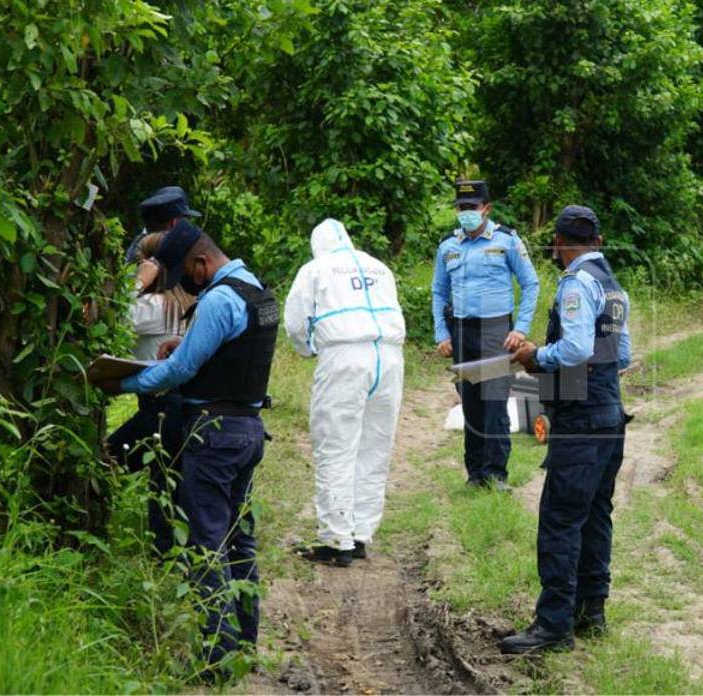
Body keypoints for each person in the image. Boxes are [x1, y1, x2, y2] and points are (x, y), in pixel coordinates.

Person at [100, 220, 276, 677]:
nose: (189, 284)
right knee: (240, 538)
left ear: (201, 261)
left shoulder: (218, 298)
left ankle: (216, 657)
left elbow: (178, 371)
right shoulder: (256, 290)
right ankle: (245, 643)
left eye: (188, 274)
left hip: (213, 436)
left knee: (206, 543)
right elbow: (234, 352)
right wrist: (188, 342)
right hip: (248, 429)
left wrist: (117, 383)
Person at [501, 205, 632, 654]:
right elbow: (624, 355)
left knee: (559, 520)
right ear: (596, 241)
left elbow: (575, 348)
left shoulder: (577, 283)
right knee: (596, 515)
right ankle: (591, 611)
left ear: (558, 243)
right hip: (612, 416)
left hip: (581, 422)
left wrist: (538, 357)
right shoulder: (613, 287)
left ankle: (554, 626)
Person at [284, 219, 406, 567]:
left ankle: (337, 540)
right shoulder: (379, 267)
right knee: (375, 447)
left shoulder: (315, 269)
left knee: (335, 446)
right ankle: (360, 533)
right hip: (390, 356)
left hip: (344, 356)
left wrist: (308, 349)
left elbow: (295, 322)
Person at [106, 188, 200, 557]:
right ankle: (172, 554)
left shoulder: (153, 306)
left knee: (117, 463)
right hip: (176, 404)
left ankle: (166, 556)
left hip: (161, 404)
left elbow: (113, 314)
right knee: (169, 481)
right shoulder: (182, 300)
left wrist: (138, 281)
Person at [431, 180, 540, 490]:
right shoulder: (447, 247)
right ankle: (475, 475)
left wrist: (520, 329)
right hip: (463, 333)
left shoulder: (507, 241)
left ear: (487, 209)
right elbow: (439, 291)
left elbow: (530, 284)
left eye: (473, 208)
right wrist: (442, 333)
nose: (466, 213)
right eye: (462, 208)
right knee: (471, 405)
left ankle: (496, 474)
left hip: (497, 332)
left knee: (494, 405)